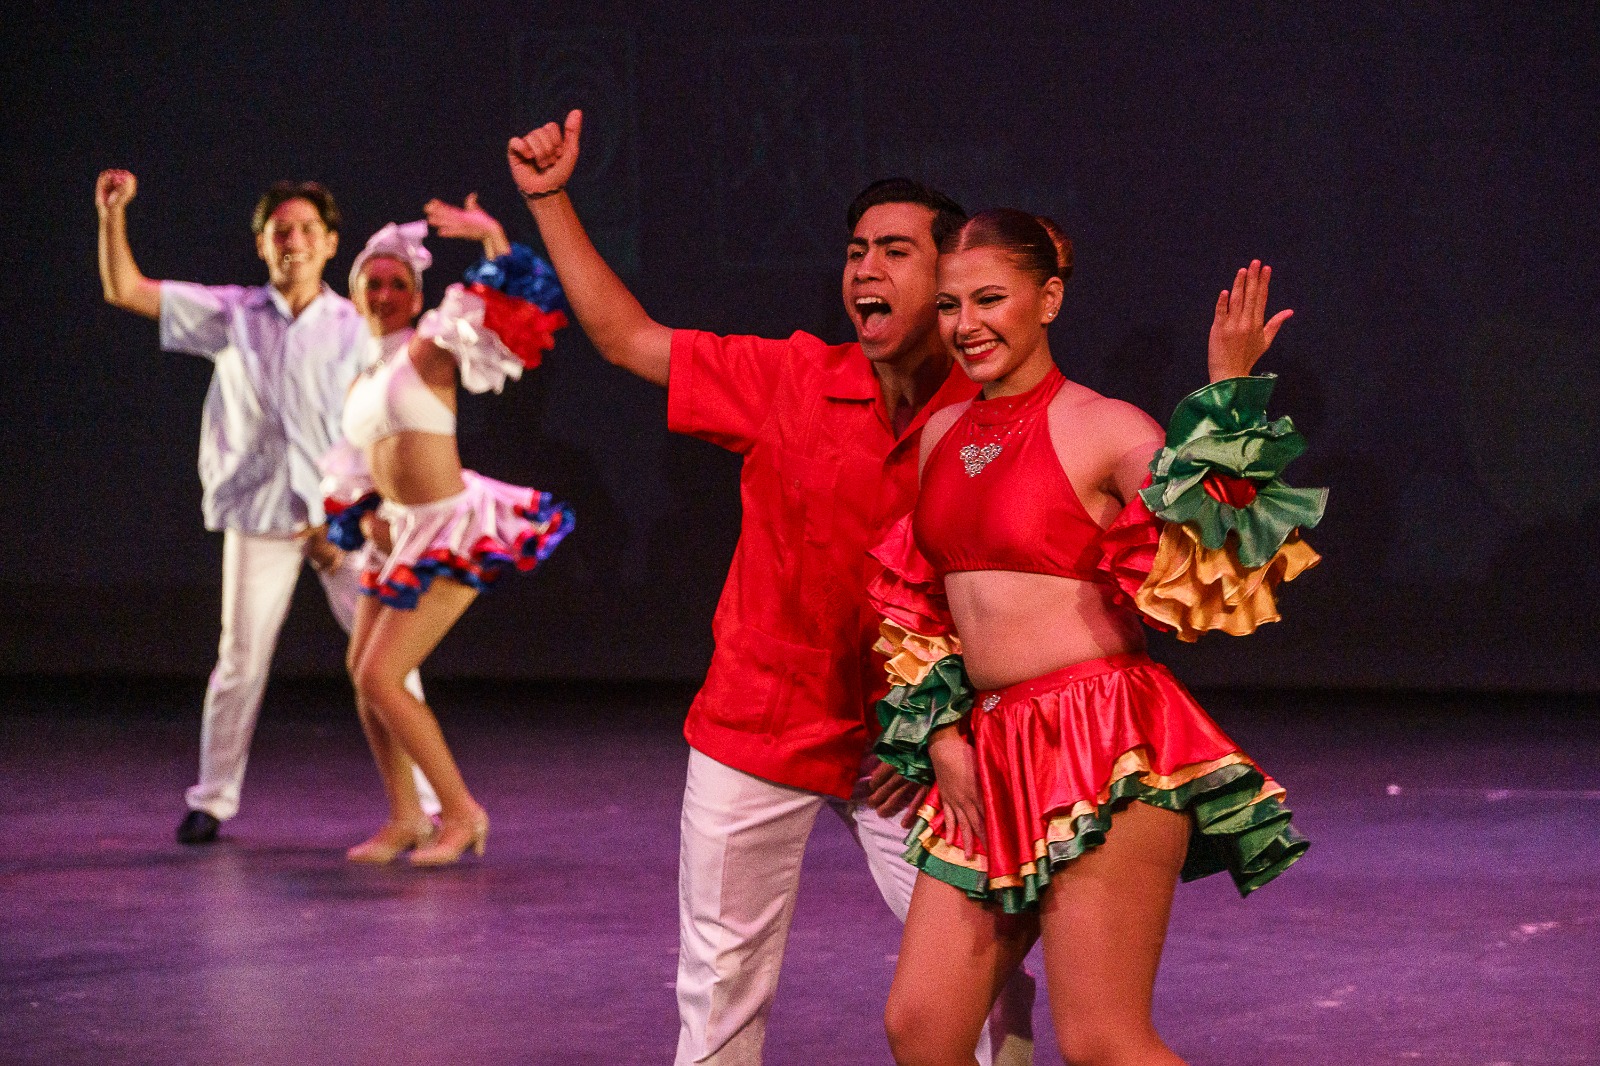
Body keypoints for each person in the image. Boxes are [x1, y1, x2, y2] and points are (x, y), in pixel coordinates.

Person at [506, 111, 1035, 1065]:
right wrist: (549, 199)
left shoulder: (988, 416)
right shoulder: (792, 375)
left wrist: (941, 728)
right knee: (719, 991)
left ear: (950, 278)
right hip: (759, 724)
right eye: (855, 251)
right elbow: (628, 339)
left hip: (908, 748)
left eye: (895, 251)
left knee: (979, 964)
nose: (865, 269)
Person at [871, 210, 1321, 1065]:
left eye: (991, 299)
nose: (967, 325)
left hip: (1101, 741)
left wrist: (1225, 392)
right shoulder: (938, 435)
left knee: (1102, 1041)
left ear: (1048, 299)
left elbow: (1214, 545)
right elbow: (916, 601)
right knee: (921, 1028)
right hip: (988, 753)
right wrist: (942, 729)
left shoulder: (1107, 427)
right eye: (951, 305)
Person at [94, 170, 436, 844]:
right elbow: (125, 290)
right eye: (282, 230)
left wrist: (362, 513)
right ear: (261, 244)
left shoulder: (356, 324)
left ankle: (424, 801)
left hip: (344, 519)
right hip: (261, 517)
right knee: (240, 661)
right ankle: (213, 798)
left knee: (392, 662)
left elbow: (382, 421)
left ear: (332, 243)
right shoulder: (233, 315)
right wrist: (112, 216)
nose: (295, 240)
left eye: (309, 229)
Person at [320, 200, 573, 866]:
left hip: (450, 528)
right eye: (373, 283)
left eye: (398, 283)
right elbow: (355, 465)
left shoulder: (431, 345)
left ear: (418, 294)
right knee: (360, 672)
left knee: (382, 676)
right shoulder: (363, 378)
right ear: (355, 294)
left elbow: (505, 301)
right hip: (401, 534)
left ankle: (461, 813)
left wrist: (491, 237)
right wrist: (365, 513)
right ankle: (406, 816)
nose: (385, 294)